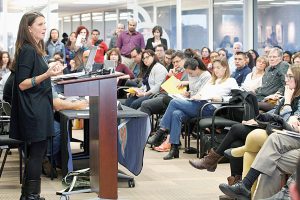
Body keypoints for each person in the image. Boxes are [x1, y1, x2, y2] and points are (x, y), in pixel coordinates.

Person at [9, 11, 64, 199]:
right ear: (29, 28)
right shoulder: (28, 50)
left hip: (38, 106)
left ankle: (29, 195)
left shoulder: (34, 48)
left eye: (44, 24)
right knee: (37, 154)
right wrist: (47, 75)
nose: (45, 27)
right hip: (34, 109)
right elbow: (22, 84)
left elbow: (33, 78)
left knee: (36, 154)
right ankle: (31, 196)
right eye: (40, 24)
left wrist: (51, 73)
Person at [150, 58, 238, 160]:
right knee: (176, 114)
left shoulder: (231, 81)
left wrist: (222, 98)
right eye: (214, 68)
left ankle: (161, 131)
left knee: (173, 102)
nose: (216, 70)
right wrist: (196, 96)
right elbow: (202, 92)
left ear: (225, 68)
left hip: (210, 108)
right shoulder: (212, 80)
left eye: (219, 68)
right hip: (200, 103)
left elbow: (237, 97)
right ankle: (174, 149)